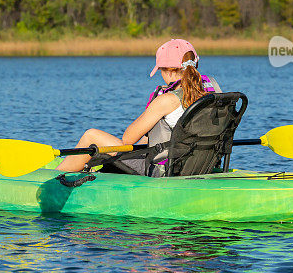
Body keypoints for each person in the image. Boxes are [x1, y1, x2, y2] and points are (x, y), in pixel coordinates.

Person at [55, 39, 221, 174]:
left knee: (91, 135)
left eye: (161, 71)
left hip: (167, 170)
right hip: (202, 164)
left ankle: (51, 180)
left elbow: (128, 139)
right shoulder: (212, 88)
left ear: (169, 72)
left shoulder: (166, 100)